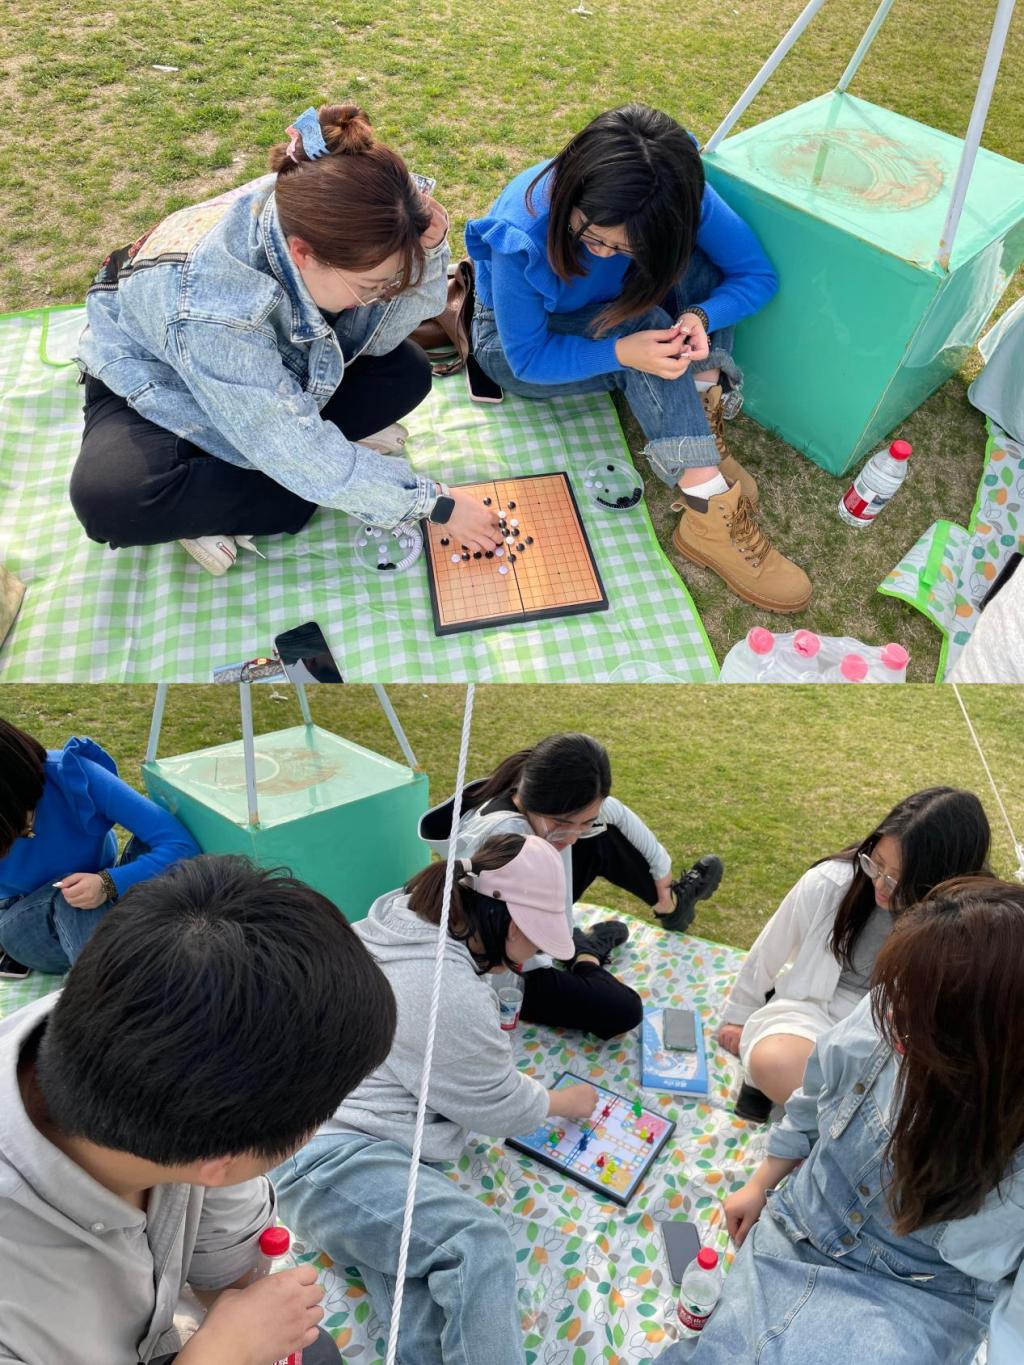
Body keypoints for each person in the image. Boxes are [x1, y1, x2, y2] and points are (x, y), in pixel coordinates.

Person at [70, 102, 502, 575]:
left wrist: (431, 250)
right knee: (115, 501)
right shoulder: (215, 308)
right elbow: (281, 440)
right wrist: (434, 504)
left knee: (406, 372)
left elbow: (379, 341)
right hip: (156, 379)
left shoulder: (337, 203)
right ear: (303, 254)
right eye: (372, 285)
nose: (379, 297)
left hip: (270, 361)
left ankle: (293, 478)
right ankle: (257, 494)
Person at [0, 853, 397, 1365]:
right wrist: (216, 1355)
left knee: (310, 1351)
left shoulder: (153, 1032)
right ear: (222, 1160)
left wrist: (241, 1324)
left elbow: (230, 1267)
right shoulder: (17, 1303)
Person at [659, 875, 1024, 1364]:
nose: (890, 1017)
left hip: (919, 1298)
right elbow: (816, 1095)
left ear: (987, 1049)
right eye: (895, 993)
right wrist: (762, 1182)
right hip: (805, 1227)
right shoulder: (894, 1007)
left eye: (919, 1022)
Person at [465, 103, 811, 613]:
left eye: (625, 246)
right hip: (515, 346)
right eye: (590, 235)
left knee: (697, 265)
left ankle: (698, 421)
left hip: (613, 309)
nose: (603, 254)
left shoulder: (670, 189)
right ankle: (704, 506)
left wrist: (700, 316)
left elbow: (755, 276)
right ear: (572, 193)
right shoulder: (524, 230)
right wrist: (622, 352)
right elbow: (527, 359)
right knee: (643, 327)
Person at [273, 833, 601, 1365]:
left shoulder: (405, 914)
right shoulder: (444, 988)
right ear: (512, 926)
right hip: (331, 1159)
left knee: (422, 1296)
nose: (533, 957)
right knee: (477, 1242)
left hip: (326, 1146)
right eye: (536, 942)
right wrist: (565, 1101)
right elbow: (498, 1103)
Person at [419, 732, 723, 1039]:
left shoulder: (525, 793)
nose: (574, 837)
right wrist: (566, 948)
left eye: (584, 822)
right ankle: (585, 953)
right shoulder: (512, 843)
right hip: (509, 968)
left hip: (524, 929)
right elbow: (530, 946)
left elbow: (616, 813)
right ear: (539, 801)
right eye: (563, 823)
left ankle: (669, 904)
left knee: (601, 837)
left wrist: (661, 872)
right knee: (625, 1010)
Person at [716, 786, 990, 1120]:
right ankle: (817, 1112)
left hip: (890, 1036)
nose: (881, 884)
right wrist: (739, 1015)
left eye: (898, 880)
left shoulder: (965, 925)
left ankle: (815, 1115)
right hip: (812, 1013)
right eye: (877, 864)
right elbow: (770, 947)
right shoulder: (833, 882)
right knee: (775, 1063)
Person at [0, 717, 200, 979]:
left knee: (160, 836)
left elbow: (181, 844)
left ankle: (129, 973)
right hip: (27, 922)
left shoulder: (71, 775)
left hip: (105, 895)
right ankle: (110, 990)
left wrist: (108, 882)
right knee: (73, 897)